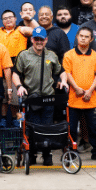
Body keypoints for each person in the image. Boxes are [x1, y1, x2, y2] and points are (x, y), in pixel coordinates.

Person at [13, 27, 68, 165]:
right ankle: (32, 154)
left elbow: (61, 71)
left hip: (48, 97)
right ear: (32, 40)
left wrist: (64, 80)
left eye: (41, 39)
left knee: (47, 127)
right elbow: (16, 74)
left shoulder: (51, 55)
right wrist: (19, 86)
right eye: (36, 39)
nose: (39, 42)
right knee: (33, 127)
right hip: (32, 98)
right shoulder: (24, 55)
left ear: (46, 40)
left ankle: (46, 154)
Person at [62, 27, 96, 160]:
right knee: (72, 129)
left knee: (93, 128)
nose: (83, 38)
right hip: (74, 98)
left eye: (86, 36)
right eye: (81, 36)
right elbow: (67, 73)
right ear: (77, 37)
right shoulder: (69, 55)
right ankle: (71, 152)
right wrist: (76, 88)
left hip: (91, 99)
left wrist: (90, 90)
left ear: (91, 39)